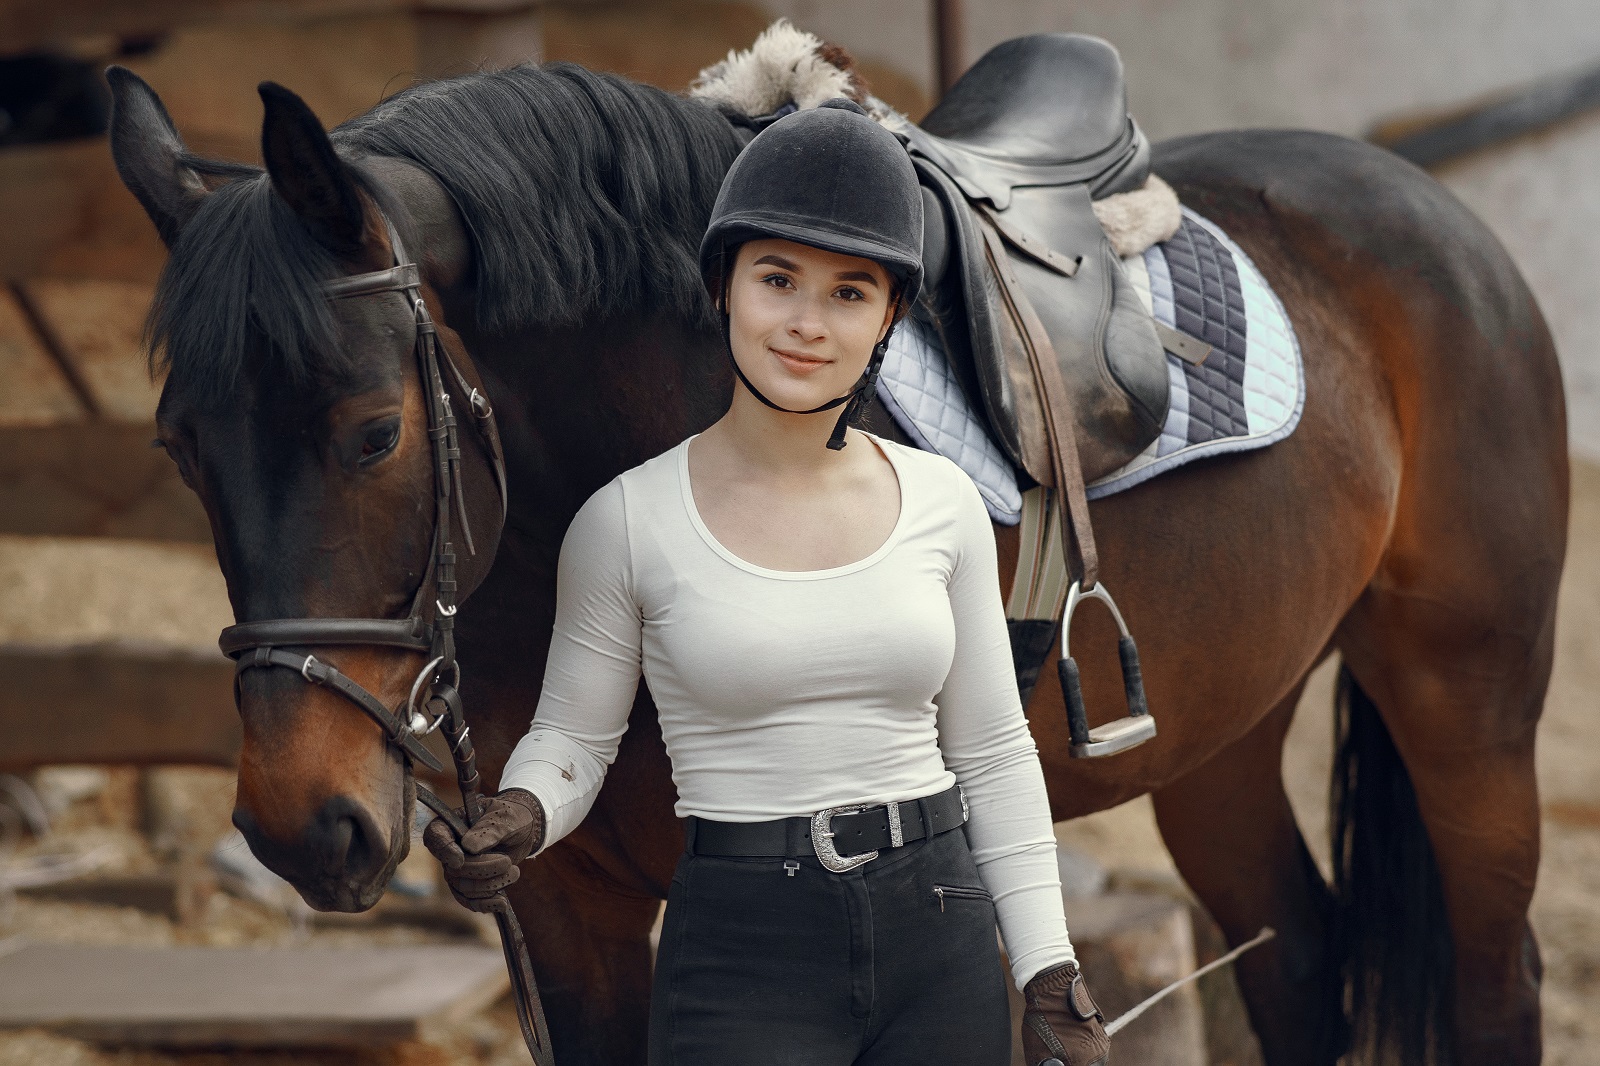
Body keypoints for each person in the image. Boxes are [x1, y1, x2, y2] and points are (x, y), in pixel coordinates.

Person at [424, 99, 1111, 1066]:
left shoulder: (943, 500)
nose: (806, 324)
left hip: (940, 935)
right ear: (722, 287)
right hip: (740, 955)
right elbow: (575, 739)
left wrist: (1047, 972)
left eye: (849, 292)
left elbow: (993, 752)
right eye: (777, 279)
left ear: (889, 316)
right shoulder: (626, 521)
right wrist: (522, 814)